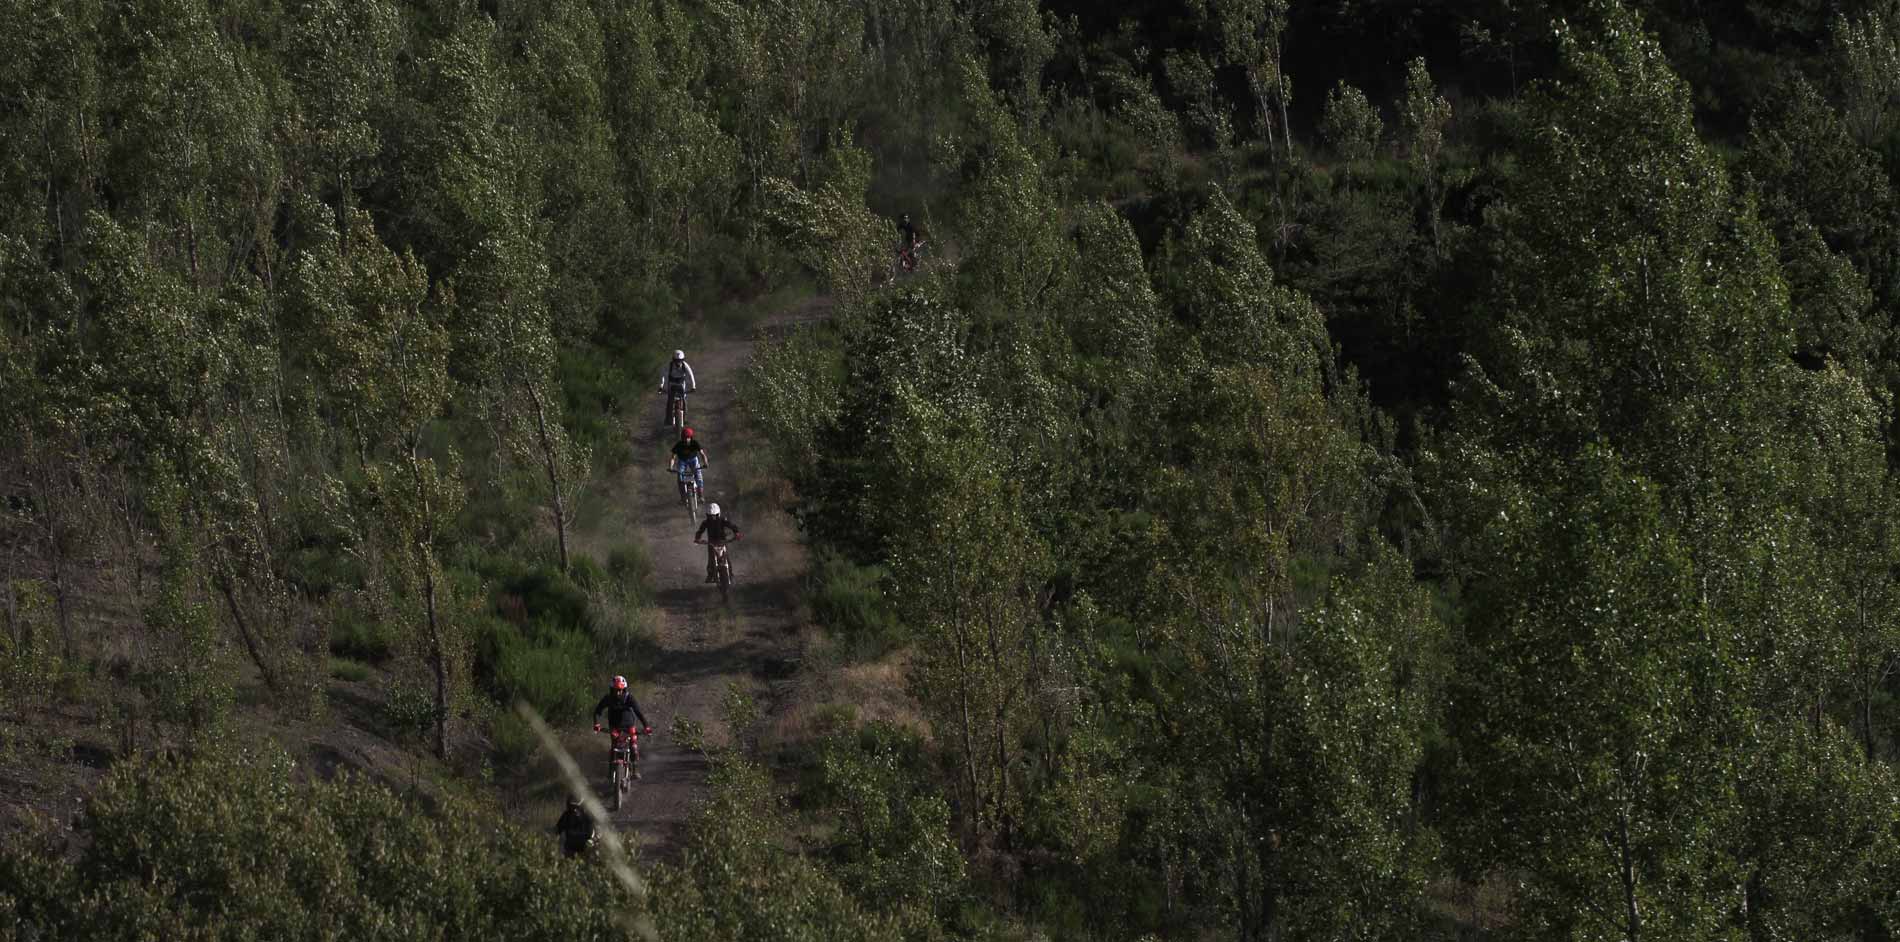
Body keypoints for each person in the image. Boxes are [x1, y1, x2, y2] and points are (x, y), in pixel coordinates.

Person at [591, 675, 652, 779]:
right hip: (614, 727)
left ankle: (634, 771)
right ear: (612, 690)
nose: (618, 692)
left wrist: (646, 726)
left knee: (633, 746)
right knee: (614, 746)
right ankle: (610, 772)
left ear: (624, 689)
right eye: (615, 690)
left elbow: (638, 712)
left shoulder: (629, 698)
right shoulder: (608, 699)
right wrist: (596, 724)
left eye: (620, 690)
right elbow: (597, 711)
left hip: (629, 726)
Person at [694, 502, 743, 583]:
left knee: (727, 558)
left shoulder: (723, 520)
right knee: (710, 559)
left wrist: (737, 533)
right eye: (710, 516)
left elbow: (732, 525)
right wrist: (697, 538)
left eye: (715, 515)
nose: (713, 518)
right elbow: (700, 531)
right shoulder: (705, 523)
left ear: (718, 514)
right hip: (711, 542)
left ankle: (730, 574)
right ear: (707, 515)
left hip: (722, 541)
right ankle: (710, 574)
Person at [658, 350, 697, 423]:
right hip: (671, 383)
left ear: (683, 360)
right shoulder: (669, 365)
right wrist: (661, 386)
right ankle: (668, 418)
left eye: (680, 360)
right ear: (673, 360)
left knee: (684, 401)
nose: (678, 362)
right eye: (676, 360)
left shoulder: (685, 365)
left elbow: (691, 375)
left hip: (681, 384)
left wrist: (693, 386)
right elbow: (662, 374)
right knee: (670, 400)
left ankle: (684, 418)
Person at [669, 426, 708, 494]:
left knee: (698, 476)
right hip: (682, 461)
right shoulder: (678, 445)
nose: (686, 439)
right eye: (684, 438)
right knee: (680, 477)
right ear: (682, 438)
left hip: (693, 460)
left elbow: (702, 454)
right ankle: (683, 496)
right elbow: (673, 457)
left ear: (691, 437)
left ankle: (701, 494)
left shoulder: (695, 443)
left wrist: (705, 463)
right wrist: (670, 467)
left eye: (688, 438)